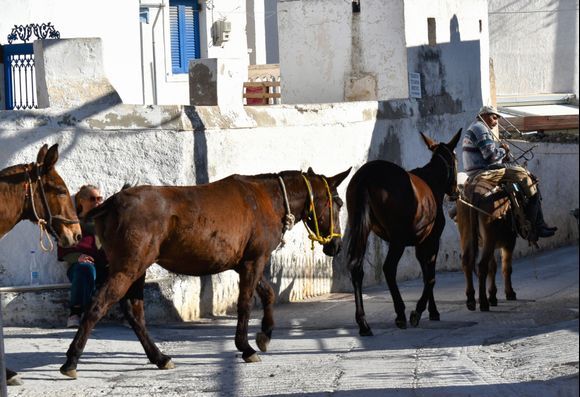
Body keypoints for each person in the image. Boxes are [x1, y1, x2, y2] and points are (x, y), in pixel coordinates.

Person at [460, 105, 557, 240]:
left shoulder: (475, 127)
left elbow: (489, 155)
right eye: (494, 118)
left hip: (478, 170)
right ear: (486, 116)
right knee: (526, 177)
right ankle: (537, 225)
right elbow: (490, 156)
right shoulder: (480, 128)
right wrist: (503, 150)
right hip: (483, 170)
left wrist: (501, 155)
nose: (496, 122)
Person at [58, 185, 107, 328]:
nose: (97, 202)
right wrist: (77, 257)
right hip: (81, 266)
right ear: (81, 201)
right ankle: (76, 313)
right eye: (92, 199)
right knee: (85, 268)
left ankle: (129, 314)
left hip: (105, 266)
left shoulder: (106, 221)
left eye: (99, 198)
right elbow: (63, 248)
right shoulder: (73, 224)